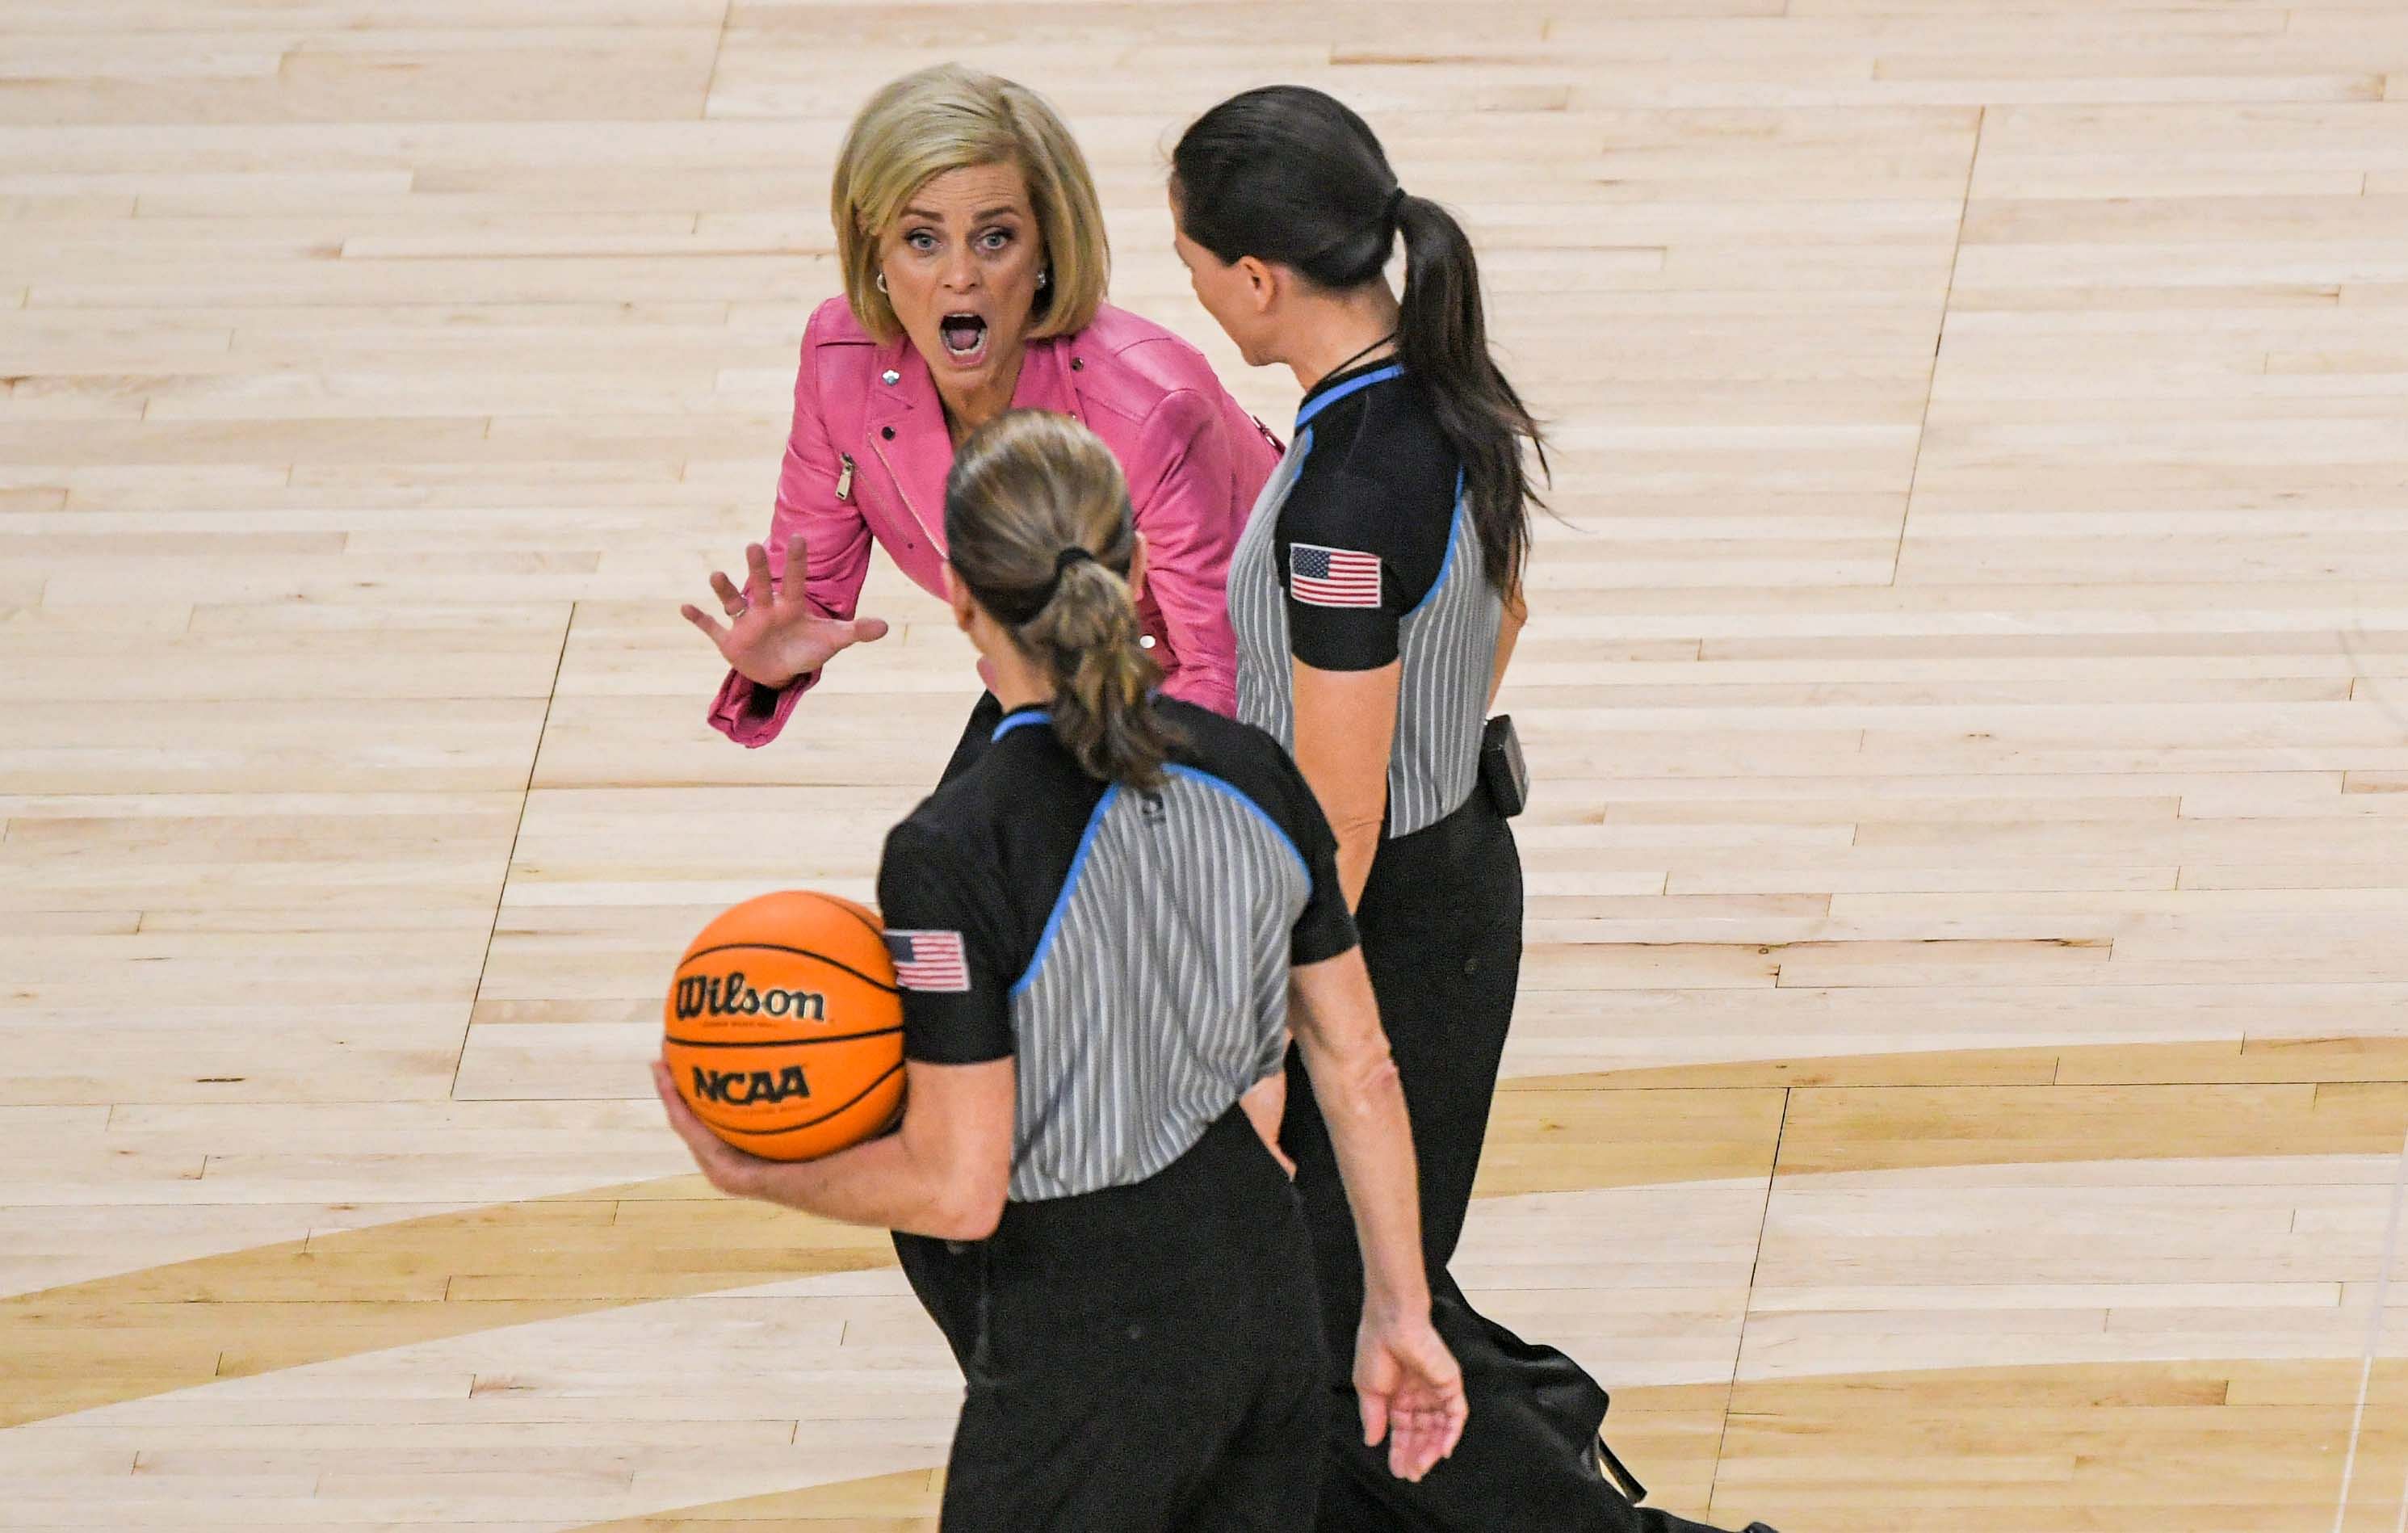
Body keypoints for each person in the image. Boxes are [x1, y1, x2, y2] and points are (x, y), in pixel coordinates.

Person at [655, 410, 1467, 1531]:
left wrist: (759, 1172)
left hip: (1090, 1327)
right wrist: (1398, 1310)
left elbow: (957, 1184)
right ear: (1135, 566)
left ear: (957, 595)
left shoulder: (951, 850)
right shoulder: (1254, 771)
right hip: (1264, 1289)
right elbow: (1361, 1069)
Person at [1170, 86, 1782, 1533]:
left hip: (1373, 925)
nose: (1187, 284)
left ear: (1254, 277)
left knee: (1337, 1351)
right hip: (1455, 885)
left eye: (1190, 255)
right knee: (1362, 1300)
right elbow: (1500, 612)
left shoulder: (1338, 495)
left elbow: (1337, 803)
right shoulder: (1441, 398)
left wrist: (1268, 1034)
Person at [682, 62, 1277, 779]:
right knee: (949, 865)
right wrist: (771, 666)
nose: (959, 276)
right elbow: (805, 591)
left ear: (1047, 251)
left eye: (994, 238)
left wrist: (1113, 834)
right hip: (1058, 669)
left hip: (1261, 677)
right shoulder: (842, 363)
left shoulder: (1153, 405)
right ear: (873, 248)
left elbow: (1226, 669)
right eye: (923, 240)